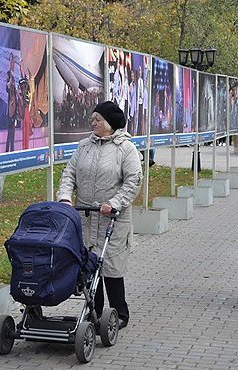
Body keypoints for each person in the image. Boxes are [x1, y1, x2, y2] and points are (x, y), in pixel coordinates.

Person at [56, 100, 143, 330]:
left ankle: (119, 313)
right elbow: (69, 174)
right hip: (85, 216)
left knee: (111, 268)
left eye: (98, 119)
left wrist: (114, 203)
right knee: (89, 266)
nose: (92, 122)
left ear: (110, 123)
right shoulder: (84, 146)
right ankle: (94, 313)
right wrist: (65, 197)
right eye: (93, 118)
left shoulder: (126, 149)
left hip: (112, 218)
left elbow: (133, 181)